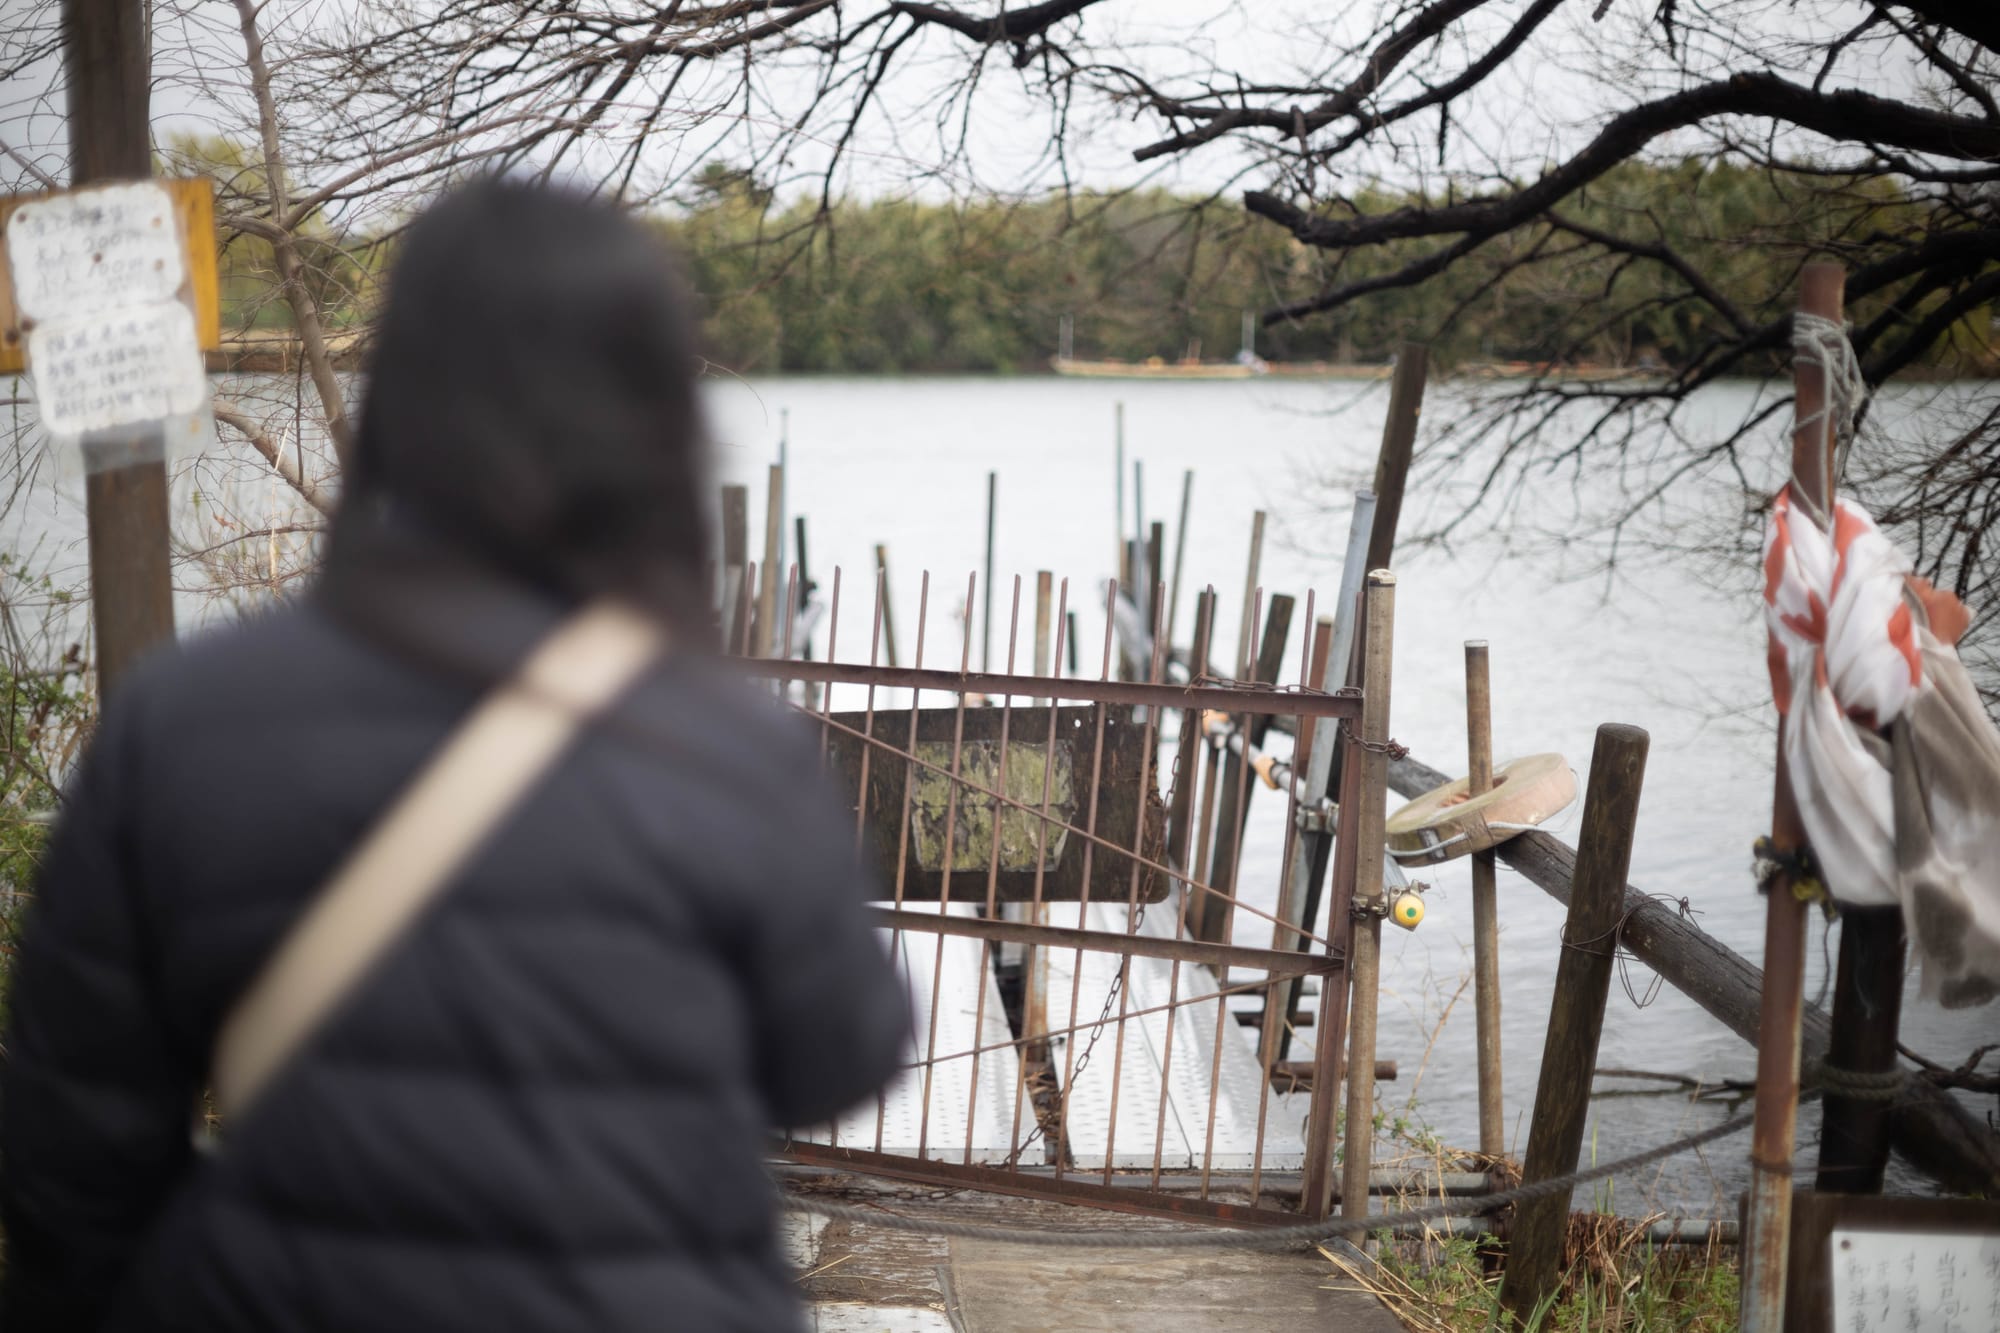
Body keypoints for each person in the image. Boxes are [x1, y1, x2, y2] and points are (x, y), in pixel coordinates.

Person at [1, 179, 907, 1331]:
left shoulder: (182, 718)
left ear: (402, 397)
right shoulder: (728, 746)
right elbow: (839, 1057)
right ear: (652, 419)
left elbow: (73, 1146)